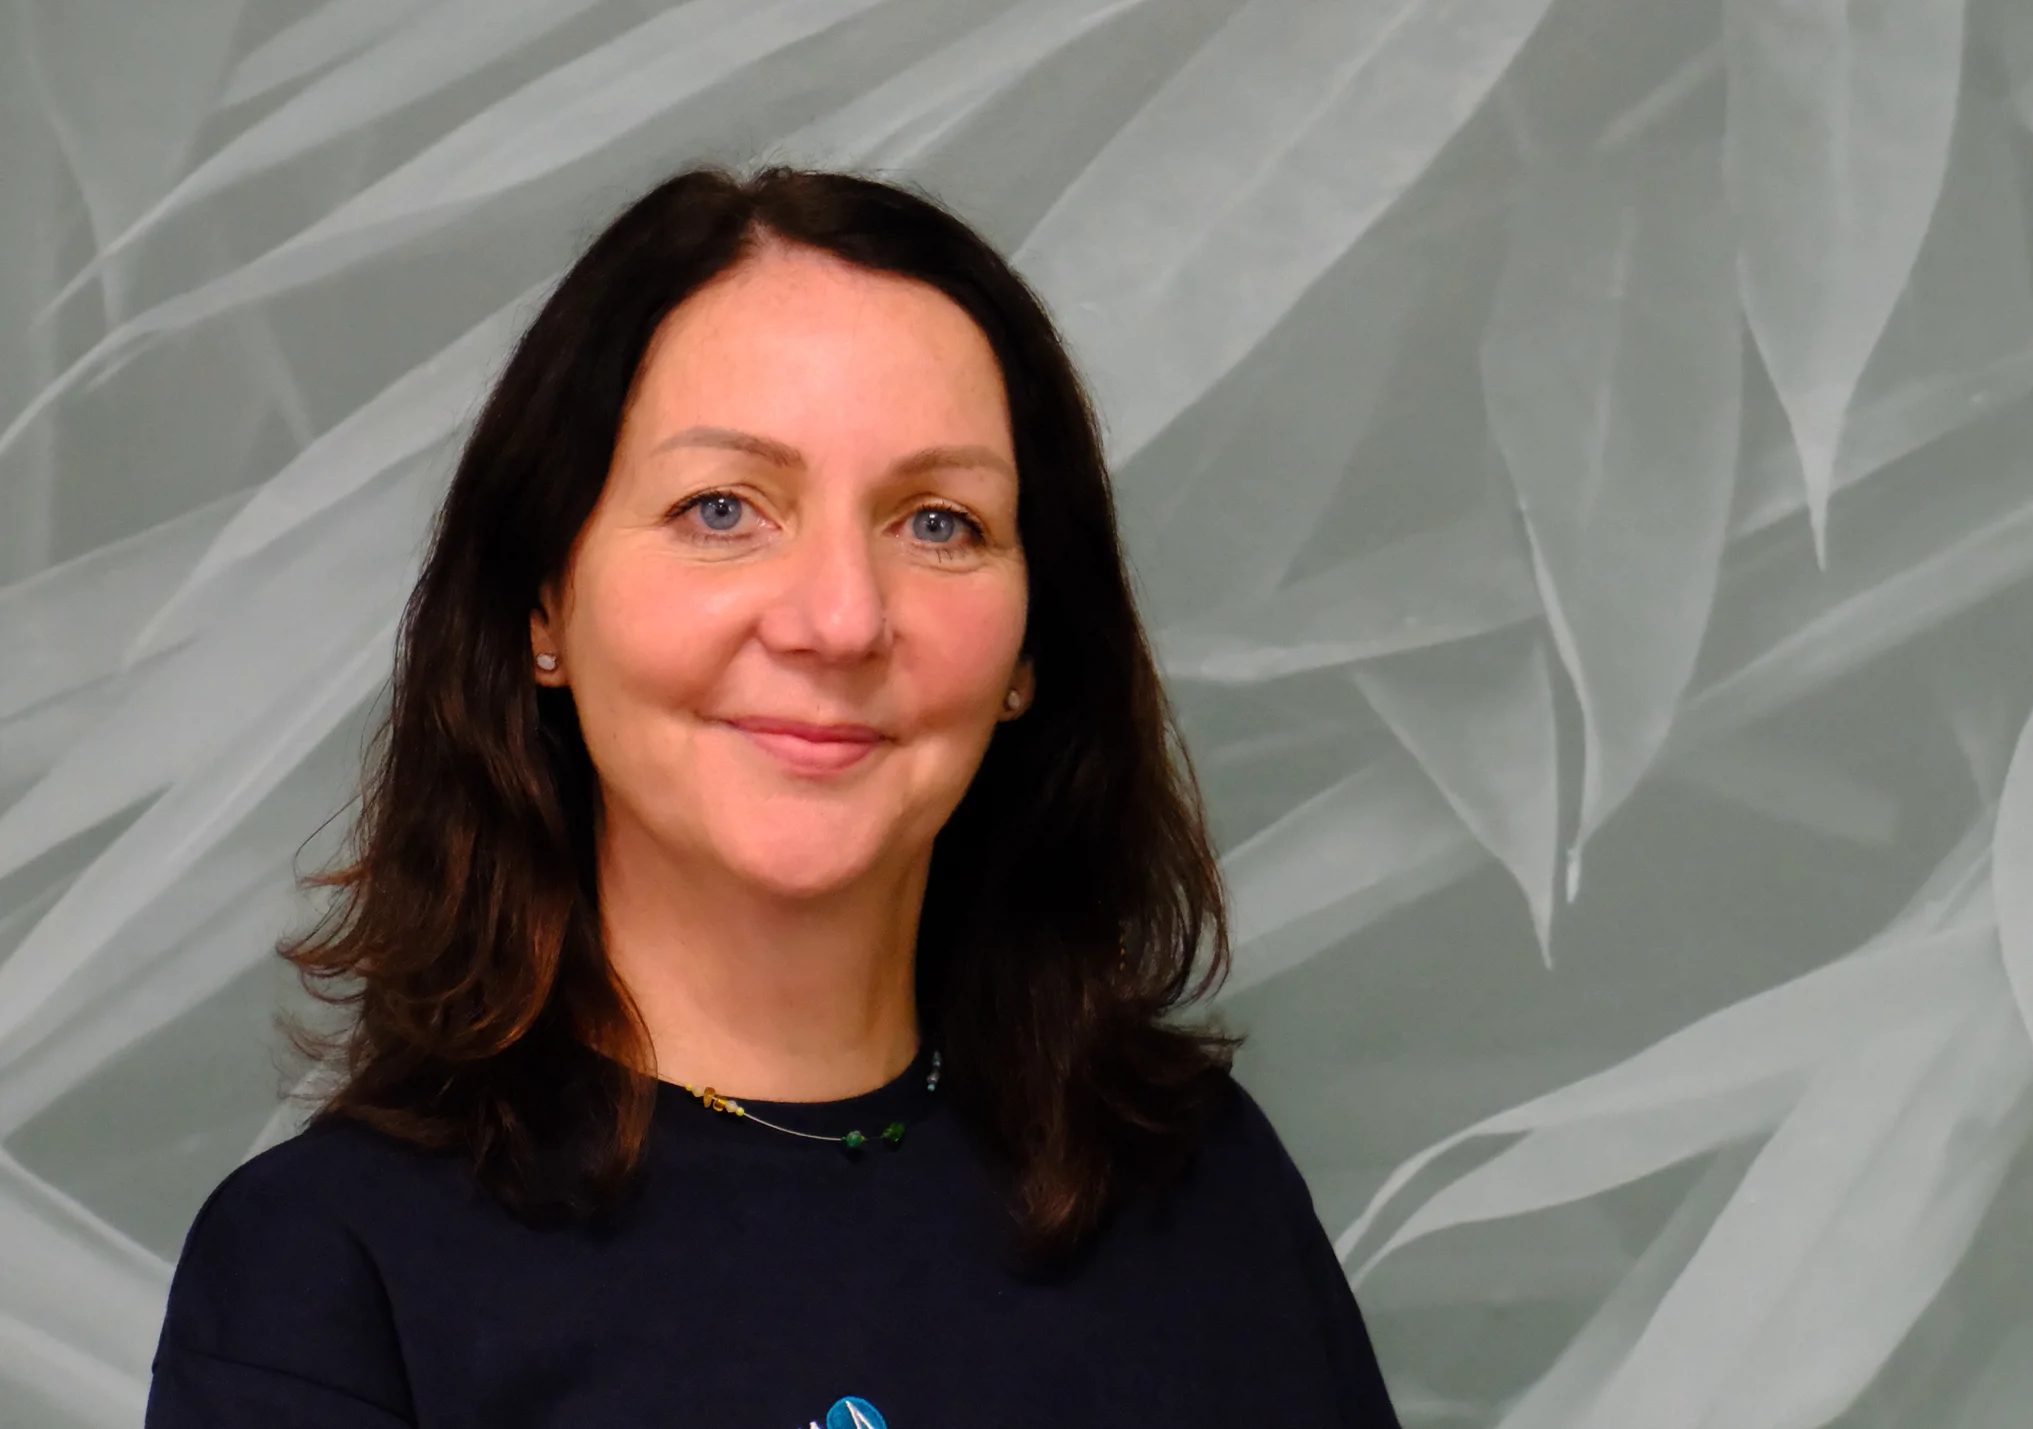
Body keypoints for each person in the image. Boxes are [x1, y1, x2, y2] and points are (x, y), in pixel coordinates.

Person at [141, 165, 1404, 1428]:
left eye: (938, 522)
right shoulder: (326, 1271)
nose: (839, 619)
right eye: (724, 508)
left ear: (1030, 649)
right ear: (542, 609)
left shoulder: (1201, 1190)